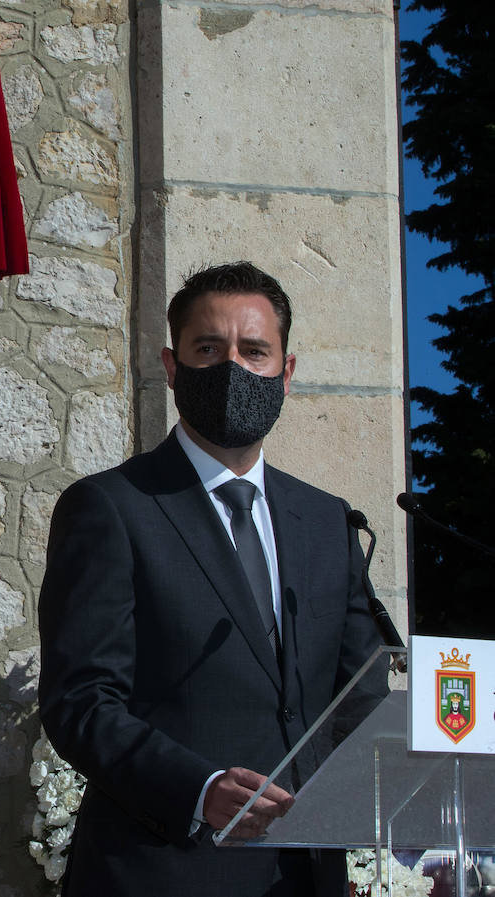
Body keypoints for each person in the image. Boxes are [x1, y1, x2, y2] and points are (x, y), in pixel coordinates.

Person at [37, 262, 387, 897]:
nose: (233, 368)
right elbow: (80, 701)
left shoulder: (327, 520)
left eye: (254, 351)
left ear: (287, 374)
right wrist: (197, 789)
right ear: (172, 368)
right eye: (208, 349)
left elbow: (359, 697)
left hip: (305, 878)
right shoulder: (112, 507)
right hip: (162, 869)